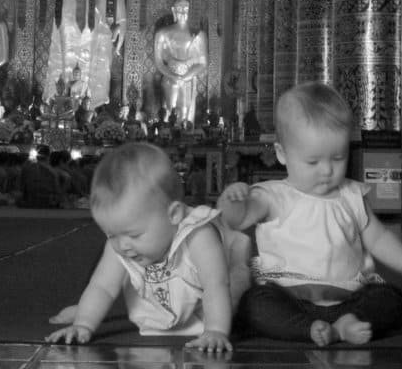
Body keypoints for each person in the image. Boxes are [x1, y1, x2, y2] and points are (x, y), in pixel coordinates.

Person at [217, 81, 402, 346]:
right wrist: (233, 200)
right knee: (254, 305)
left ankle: (344, 325)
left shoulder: (352, 196)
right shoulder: (272, 195)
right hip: (288, 297)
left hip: (348, 300)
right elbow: (236, 219)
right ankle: (312, 329)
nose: (327, 170)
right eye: (313, 161)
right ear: (282, 154)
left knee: (392, 300)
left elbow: (377, 238)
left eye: (338, 158)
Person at [46, 142, 250, 352]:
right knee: (106, 272)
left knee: (240, 299)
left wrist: (216, 330)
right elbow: (102, 287)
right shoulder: (124, 242)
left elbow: (216, 285)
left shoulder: (199, 236)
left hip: (222, 286)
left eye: (134, 234)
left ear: (174, 215)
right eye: (111, 234)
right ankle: (83, 310)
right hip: (169, 300)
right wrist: (84, 323)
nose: (123, 245)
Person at [154, 0, 207, 125]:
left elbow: (203, 62)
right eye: (179, 9)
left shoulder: (198, 34)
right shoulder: (163, 33)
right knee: (169, 110)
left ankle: (184, 134)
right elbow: (159, 62)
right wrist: (174, 76)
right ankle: (166, 135)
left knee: (184, 113)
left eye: (186, 9)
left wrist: (186, 76)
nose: (183, 12)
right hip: (169, 77)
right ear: (173, 10)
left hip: (187, 78)